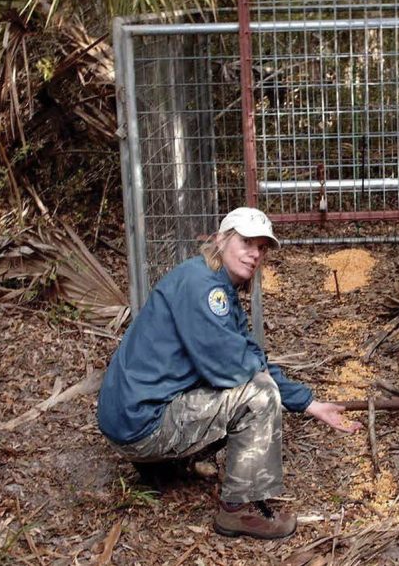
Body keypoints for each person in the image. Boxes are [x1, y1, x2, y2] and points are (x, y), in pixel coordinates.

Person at [97, 207, 361, 540]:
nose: (255, 254)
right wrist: (275, 385)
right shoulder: (206, 289)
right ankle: (239, 510)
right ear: (221, 239)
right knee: (259, 396)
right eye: (247, 242)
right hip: (140, 424)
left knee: (247, 384)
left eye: (262, 247)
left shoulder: (210, 281)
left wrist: (310, 404)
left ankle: (161, 468)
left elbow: (245, 354)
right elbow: (236, 369)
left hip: (130, 415)